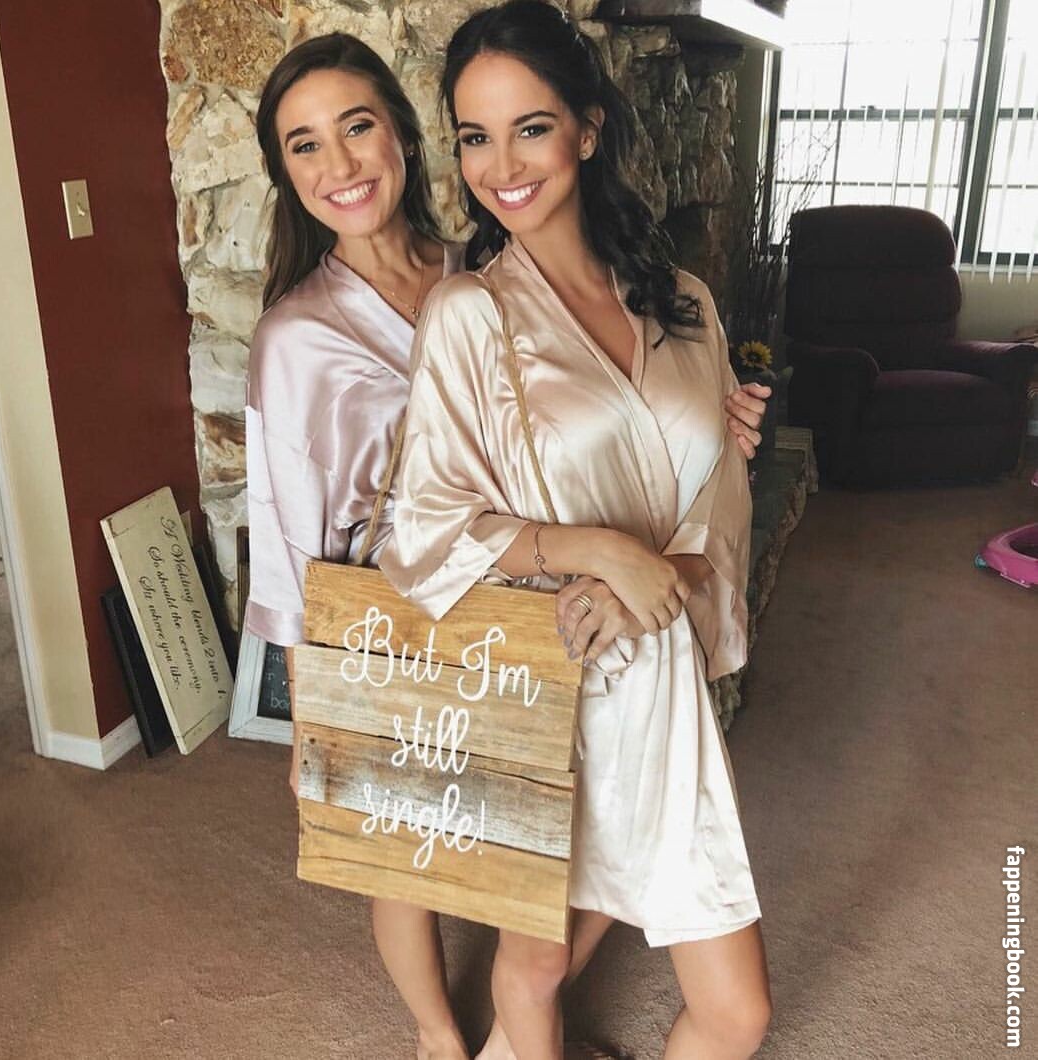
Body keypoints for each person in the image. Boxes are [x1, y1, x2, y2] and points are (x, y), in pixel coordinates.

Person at [244, 31, 769, 1060]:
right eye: (303, 145)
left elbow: (673, 464)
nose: (339, 163)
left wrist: (711, 439)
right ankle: (441, 1037)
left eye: (357, 127)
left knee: (572, 935)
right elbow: (299, 530)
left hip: (573, 626)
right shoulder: (314, 333)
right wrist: (313, 701)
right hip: (417, 617)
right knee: (412, 850)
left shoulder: (485, 267)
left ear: (405, 138)